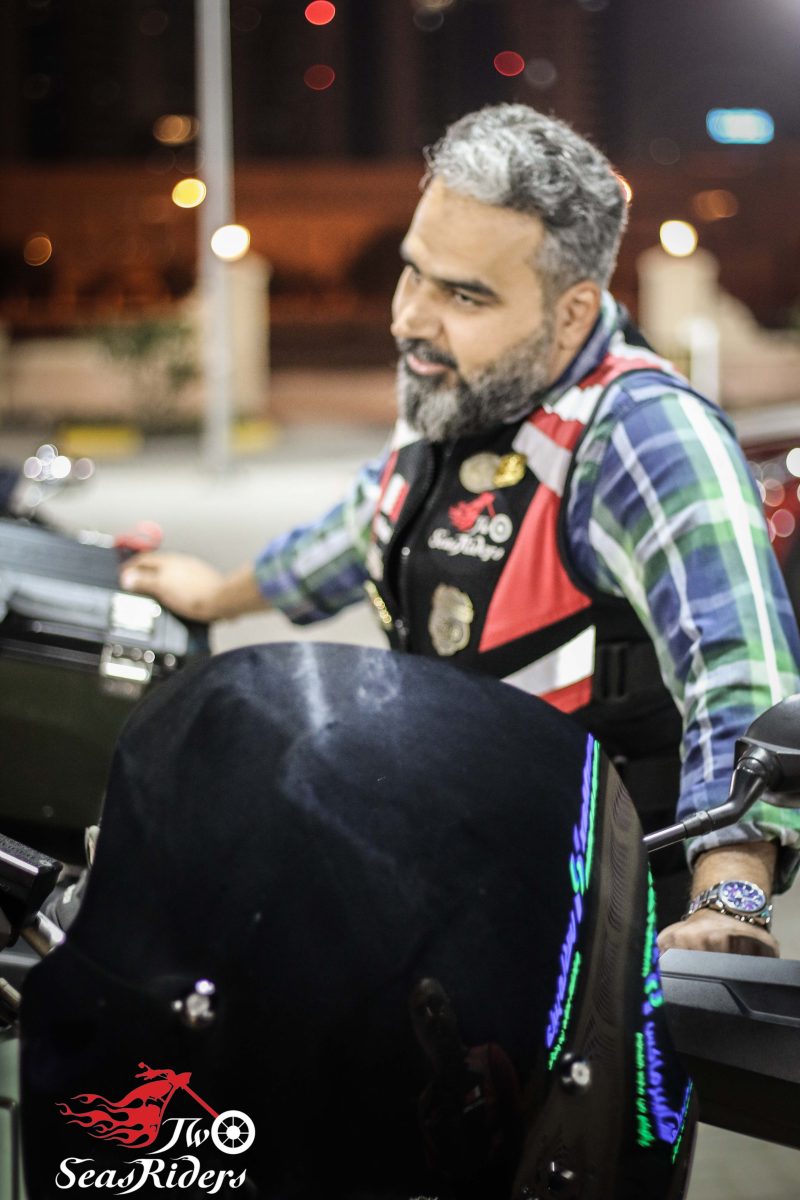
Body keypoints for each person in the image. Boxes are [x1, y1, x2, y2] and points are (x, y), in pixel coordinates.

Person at [120, 103, 800, 954]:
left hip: (599, 928)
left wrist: (728, 902)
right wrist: (215, 594)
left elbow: (740, 676)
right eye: (413, 273)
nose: (409, 317)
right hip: (459, 879)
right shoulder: (460, 390)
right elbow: (362, 527)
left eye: (463, 295)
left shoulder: (647, 436)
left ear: (571, 313)